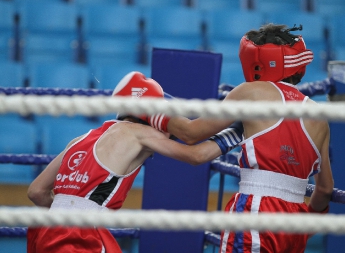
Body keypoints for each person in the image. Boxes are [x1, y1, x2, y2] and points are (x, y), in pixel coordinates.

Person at [146, 23, 334, 252]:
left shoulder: (251, 93)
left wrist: (149, 107)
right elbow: (324, 190)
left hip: (256, 212)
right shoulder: (319, 117)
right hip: (294, 224)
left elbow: (190, 133)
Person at [26, 71, 243, 253]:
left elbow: (36, 191)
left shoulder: (79, 139)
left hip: (46, 228)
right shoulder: (138, 133)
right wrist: (239, 132)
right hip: (82, 233)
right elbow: (196, 155)